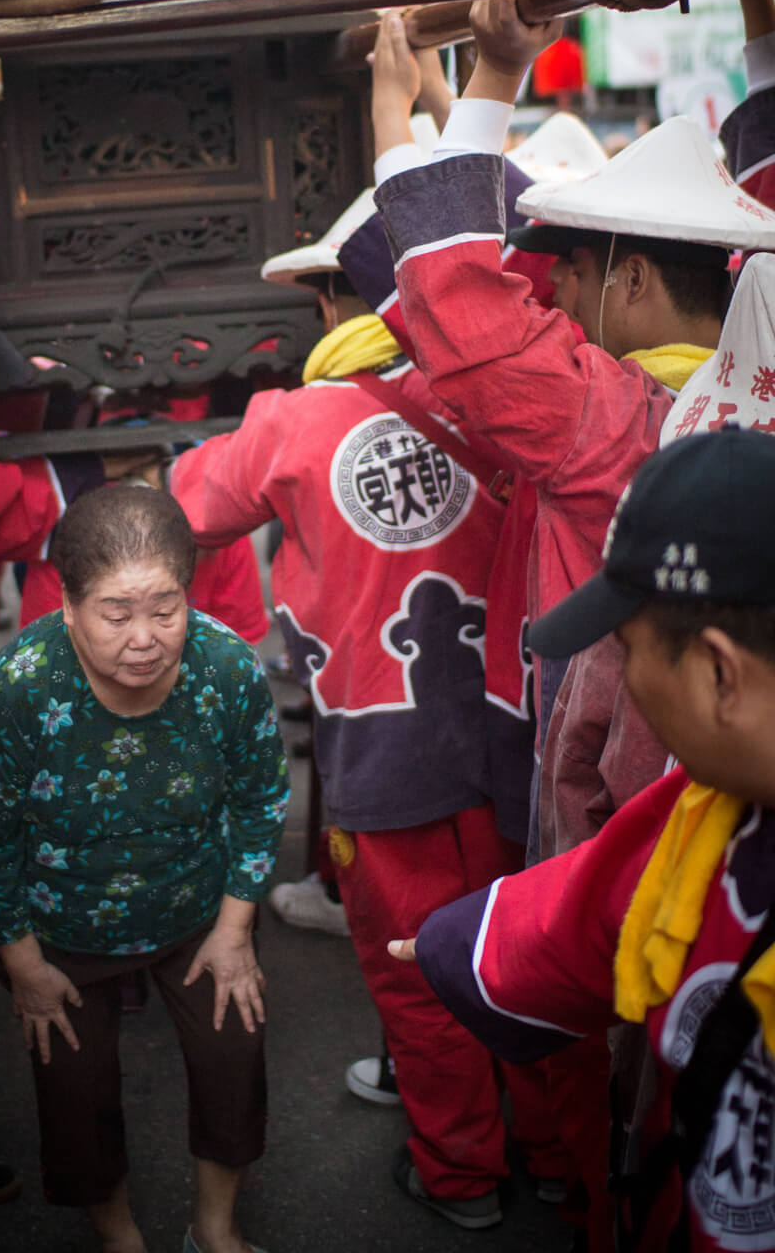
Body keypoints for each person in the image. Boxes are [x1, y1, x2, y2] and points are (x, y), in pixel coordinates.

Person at [163, 202, 564, 1229]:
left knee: (418, 978)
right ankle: (562, 1158)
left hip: (384, 754)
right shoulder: (505, 397)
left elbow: (184, 507)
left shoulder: (294, 424)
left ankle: (462, 1176)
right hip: (521, 738)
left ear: (336, 300)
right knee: (544, 955)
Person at [389, 425, 775, 1251]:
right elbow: (594, 908)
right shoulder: (711, 810)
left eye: (627, 649)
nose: (622, 677)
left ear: (718, 672)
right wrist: (455, 943)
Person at [0, 485, 287, 1253]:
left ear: (189, 595)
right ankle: (118, 1237)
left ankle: (215, 1230)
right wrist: (23, 963)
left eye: (164, 609)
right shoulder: (22, 687)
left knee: (234, 1060)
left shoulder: (226, 668)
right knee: (74, 1096)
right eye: (115, 614)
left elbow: (264, 797)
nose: (144, 638)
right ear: (68, 606)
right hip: (60, 926)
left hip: (197, 912)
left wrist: (236, 929)